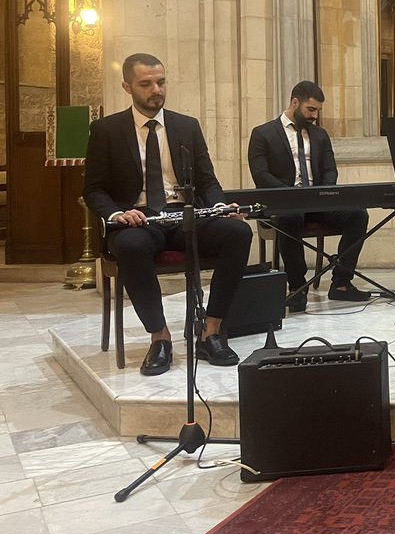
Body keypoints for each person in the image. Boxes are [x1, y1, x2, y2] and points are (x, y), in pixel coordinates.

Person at [84, 54, 253, 376]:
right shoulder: (106, 130)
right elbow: (93, 189)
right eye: (145, 84)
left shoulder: (186, 126)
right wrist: (118, 213)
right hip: (138, 219)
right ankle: (159, 338)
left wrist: (219, 207)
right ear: (127, 87)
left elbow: (207, 181)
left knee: (238, 233)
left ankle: (211, 330)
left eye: (160, 82)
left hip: (183, 214)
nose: (156, 90)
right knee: (131, 246)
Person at [247, 81, 370, 312]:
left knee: (358, 215)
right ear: (295, 102)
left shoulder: (320, 135)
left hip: (316, 201)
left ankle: (341, 283)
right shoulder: (263, 133)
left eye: (317, 111)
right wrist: (291, 195)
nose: (314, 116)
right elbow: (261, 175)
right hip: (285, 201)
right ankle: (297, 286)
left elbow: (330, 169)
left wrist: (322, 192)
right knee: (290, 217)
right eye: (310, 110)